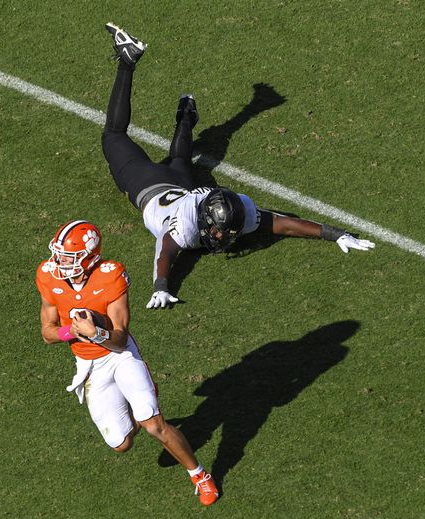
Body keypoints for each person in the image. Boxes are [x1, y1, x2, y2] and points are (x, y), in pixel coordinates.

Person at [102, 23, 376, 309]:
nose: (225, 236)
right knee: (113, 135)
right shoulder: (183, 226)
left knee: (181, 161)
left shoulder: (236, 212)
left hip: (182, 185)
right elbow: (165, 252)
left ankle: (186, 116)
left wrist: (335, 234)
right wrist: (161, 286)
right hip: (148, 185)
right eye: (221, 231)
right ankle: (127, 61)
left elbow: (281, 223)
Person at [35, 219, 220, 506]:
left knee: (154, 425)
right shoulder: (48, 276)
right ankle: (141, 406)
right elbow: (47, 333)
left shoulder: (110, 275)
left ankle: (200, 475)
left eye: (69, 257)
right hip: (89, 366)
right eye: (59, 254)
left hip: (120, 357)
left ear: (90, 256)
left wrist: (95, 332)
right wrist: (70, 331)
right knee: (121, 444)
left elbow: (119, 339)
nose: (59, 262)